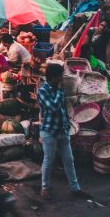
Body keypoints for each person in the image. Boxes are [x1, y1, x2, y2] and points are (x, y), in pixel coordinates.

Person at [38, 63, 86, 200]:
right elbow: (53, 107)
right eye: (60, 76)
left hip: (63, 130)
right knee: (49, 160)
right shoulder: (43, 91)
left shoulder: (59, 89)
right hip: (49, 131)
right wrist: (59, 92)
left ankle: (75, 188)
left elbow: (63, 109)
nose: (62, 79)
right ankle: (45, 188)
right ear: (52, 77)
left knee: (69, 160)